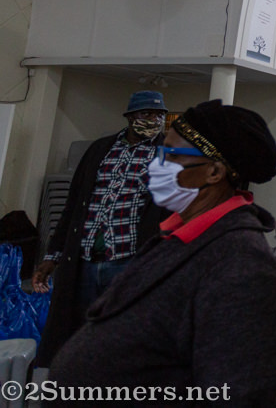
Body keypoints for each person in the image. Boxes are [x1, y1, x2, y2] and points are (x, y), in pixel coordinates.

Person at [48, 99, 276, 405]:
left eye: (171, 155)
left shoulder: (240, 261)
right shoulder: (182, 234)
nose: (155, 165)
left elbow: (240, 393)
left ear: (214, 172)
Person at [32, 90, 169, 367]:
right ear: (130, 117)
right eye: (147, 114)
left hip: (129, 259)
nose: (154, 120)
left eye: (160, 115)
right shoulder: (101, 149)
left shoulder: (167, 154)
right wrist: (52, 255)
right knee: (80, 329)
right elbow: (73, 205)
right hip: (84, 259)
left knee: (122, 330)